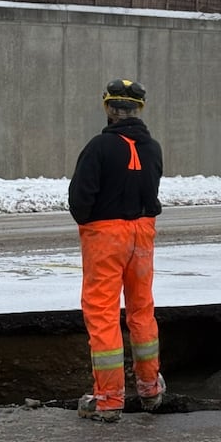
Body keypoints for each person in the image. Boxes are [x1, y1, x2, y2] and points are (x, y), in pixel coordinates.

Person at [68, 78, 166, 423]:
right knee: (141, 310)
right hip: (142, 233)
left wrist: (92, 220)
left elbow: (80, 200)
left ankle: (108, 399)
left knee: (103, 312)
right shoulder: (152, 147)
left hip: (106, 235)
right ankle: (150, 388)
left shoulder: (99, 147)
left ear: (108, 108)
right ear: (138, 109)